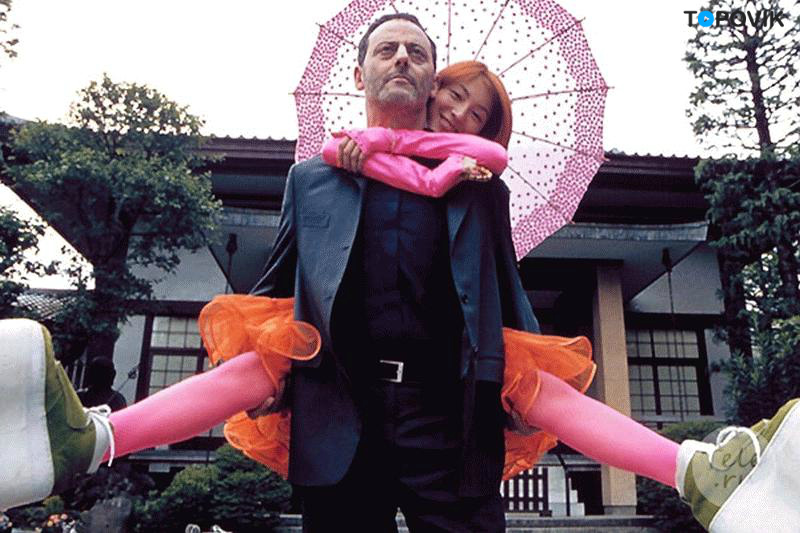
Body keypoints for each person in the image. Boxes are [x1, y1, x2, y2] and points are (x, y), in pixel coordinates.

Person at [2, 15, 799, 533]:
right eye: (387, 49)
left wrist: (524, 397)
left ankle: (707, 470)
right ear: (361, 75)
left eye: (419, 53)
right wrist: (264, 377)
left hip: (450, 422)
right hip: (338, 414)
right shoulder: (311, 179)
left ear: (431, 83)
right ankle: (89, 437)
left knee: (526, 386)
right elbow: (272, 297)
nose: (403, 59)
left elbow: (509, 310)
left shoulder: (479, 188)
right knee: (269, 359)